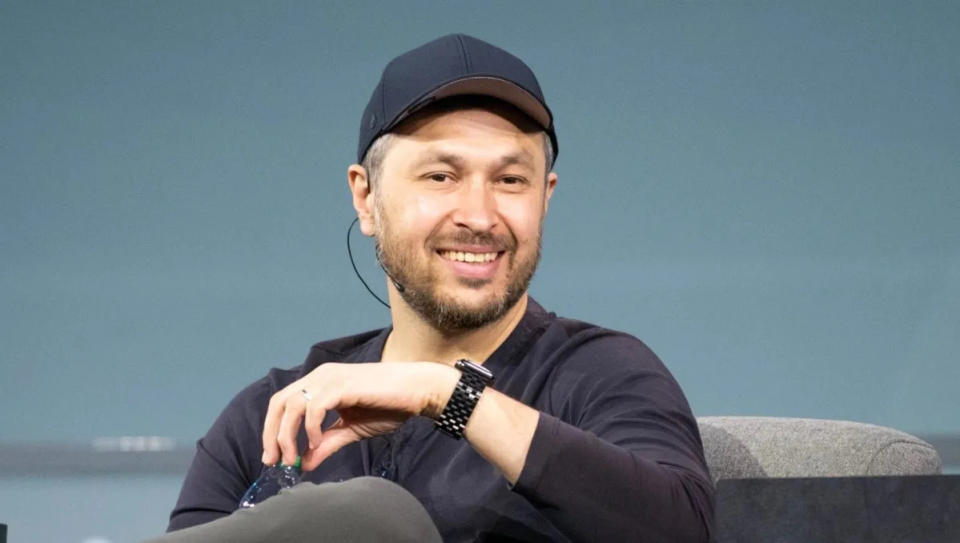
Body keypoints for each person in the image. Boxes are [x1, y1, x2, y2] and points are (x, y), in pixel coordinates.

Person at [156, 33, 714, 542]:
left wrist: (446, 395)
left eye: (510, 181)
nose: (479, 215)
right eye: (440, 176)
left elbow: (681, 531)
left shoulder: (599, 376)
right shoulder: (274, 413)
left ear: (546, 196)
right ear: (365, 196)